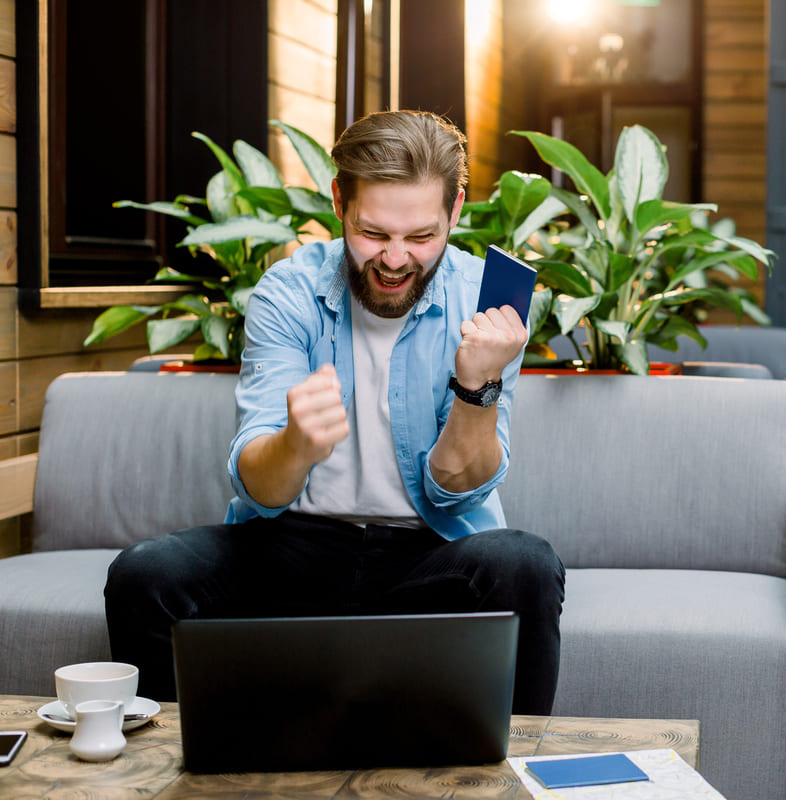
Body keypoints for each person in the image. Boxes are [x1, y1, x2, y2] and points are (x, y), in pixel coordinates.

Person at [104, 110, 565, 715]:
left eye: (422, 237)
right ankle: (183, 773)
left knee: (525, 565)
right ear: (340, 203)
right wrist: (296, 444)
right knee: (145, 574)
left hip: (427, 555)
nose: (396, 260)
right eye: (374, 233)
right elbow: (260, 490)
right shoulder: (287, 293)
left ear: (455, 211)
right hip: (293, 551)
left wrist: (477, 385)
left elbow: (457, 493)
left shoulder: (489, 298)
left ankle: (513, 776)